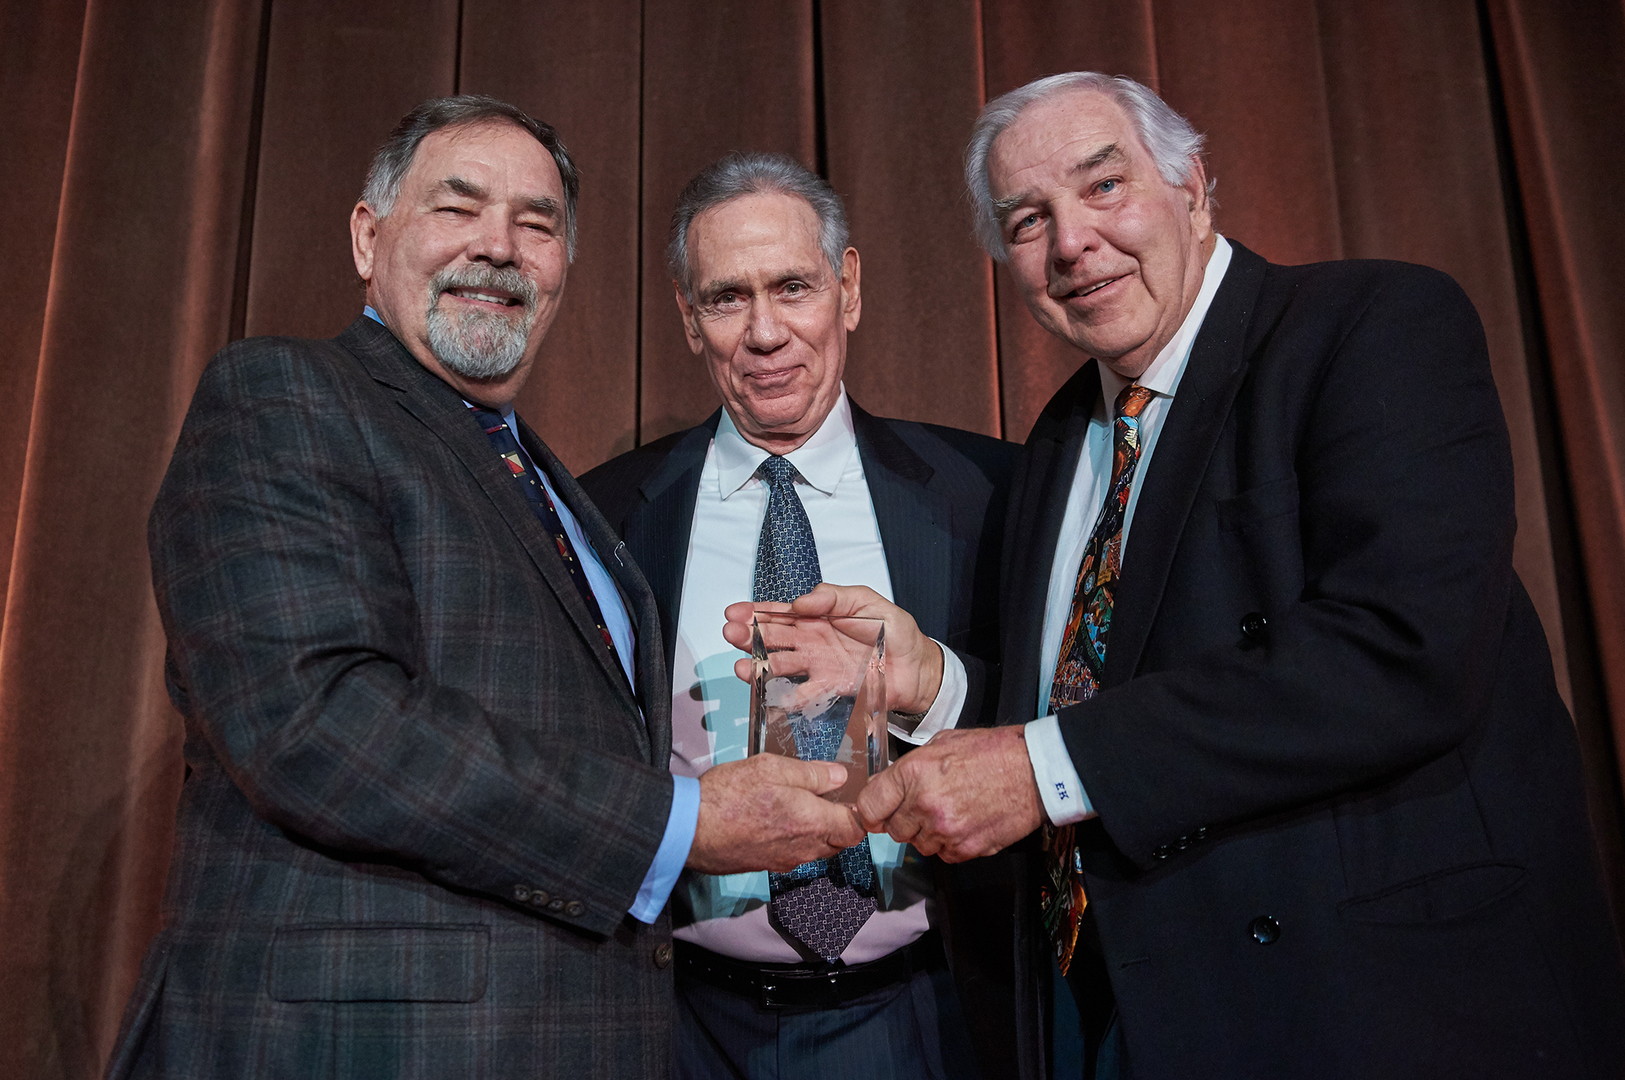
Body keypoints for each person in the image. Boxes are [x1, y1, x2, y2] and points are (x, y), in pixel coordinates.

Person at [738, 73, 1625, 1078]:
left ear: (1191, 186)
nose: (1070, 241)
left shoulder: (1370, 325)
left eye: (1102, 186)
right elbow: (1109, 700)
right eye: (1027, 220)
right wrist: (933, 682)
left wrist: (1036, 768)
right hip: (1124, 1009)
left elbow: (1398, 654)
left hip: (1372, 1010)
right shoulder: (1059, 443)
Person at [105, 97, 863, 1080]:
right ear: (368, 236)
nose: (498, 248)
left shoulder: (552, 485)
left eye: (536, 224)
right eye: (456, 210)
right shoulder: (282, 395)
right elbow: (320, 726)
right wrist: (682, 824)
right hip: (353, 1045)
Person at [580, 152, 1020, 1080]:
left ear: (847, 288)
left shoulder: (990, 492)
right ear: (686, 316)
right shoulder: (604, 517)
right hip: (680, 1026)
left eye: (792, 287)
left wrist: (931, 687)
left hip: (933, 1013)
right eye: (727, 298)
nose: (765, 332)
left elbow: (1067, 716)